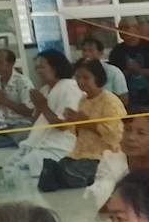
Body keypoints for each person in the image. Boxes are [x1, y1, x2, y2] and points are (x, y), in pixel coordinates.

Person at [38, 58, 126, 192]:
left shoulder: (111, 101)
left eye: (86, 78)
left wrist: (86, 121)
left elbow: (116, 136)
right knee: (57, 165)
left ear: (98, 78)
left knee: (65, 172)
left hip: (102, 156)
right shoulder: (83, 100)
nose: (80, 82)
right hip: (80, 154)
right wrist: (73, 120)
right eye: (78, 77)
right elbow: (77, 131)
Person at [10, 49, 80, 179]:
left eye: (42, 67)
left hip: (59, 147)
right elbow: (35, 122)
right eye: (37, 68)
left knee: (23, 170)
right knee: (11, 164)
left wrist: (42, 105)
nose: (38, 71)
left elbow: (63, 126)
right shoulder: (45, 89)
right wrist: (38, 105)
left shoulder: (70, 87)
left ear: (56, 67)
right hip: (39, 144)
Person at [89, 113, 149, 210]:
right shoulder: (111, 162)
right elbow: (103, 208)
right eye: (127, 130)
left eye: (141, 133)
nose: (131, 137)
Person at [108, 20, 149, 113]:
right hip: (129, 100)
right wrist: (128, 71)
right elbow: (113, 78)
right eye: (120, 28)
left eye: (126, 27)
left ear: (137, 29)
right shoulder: (116, 52)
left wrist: (140, 71)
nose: (122, 31)